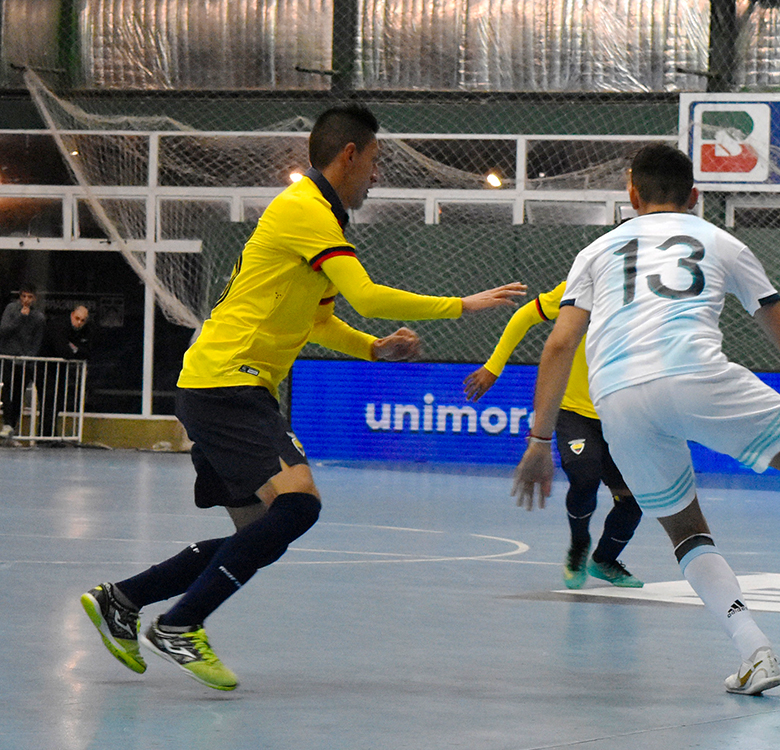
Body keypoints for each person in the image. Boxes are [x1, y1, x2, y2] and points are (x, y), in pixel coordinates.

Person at [80, 103, 526, 691]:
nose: (377, 174)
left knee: (260, 533)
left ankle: (124, 599)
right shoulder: (305, 210)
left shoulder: (320, 222)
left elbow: (323, 322)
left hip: (223, 383)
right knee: (299, 506)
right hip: (227, 381)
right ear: (350, 155)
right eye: (375, 161)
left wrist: (374, 350)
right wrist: (460, 306)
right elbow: (364, 295)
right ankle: (181, 624)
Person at [511, 144, 780, 696]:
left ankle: (753, 650)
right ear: (696, 197)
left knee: (685, 530)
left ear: (631, 194)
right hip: (694, 372)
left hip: (617, 400)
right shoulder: (722, 241)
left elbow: (559, 345)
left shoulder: (595, 252)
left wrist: (539, 441)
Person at [464, 281, 643, 589]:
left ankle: (604, 560)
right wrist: (494, 367)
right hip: (573, 410)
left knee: (634, 501)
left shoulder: (660, 294)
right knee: (584, 476)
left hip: (623, 414)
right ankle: (578, 547)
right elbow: (523, 316)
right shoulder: (588, 282)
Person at [0, 283, 46, 438]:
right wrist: (20, 317)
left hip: (25, 361)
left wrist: (29, 358)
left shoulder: (39, 318)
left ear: (35, 298)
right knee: (7, 390)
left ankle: (12, 426)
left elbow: (37, 342)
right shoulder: (11, 309)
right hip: (9, 358)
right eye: (24, 296)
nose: (26, 300)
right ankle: (7, 423)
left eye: (30, 297)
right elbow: (4, 331)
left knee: (19, 394)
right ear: (20, 297)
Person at [40, 305, 93, 438]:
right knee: (48, 401)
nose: (79, 323)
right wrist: (75, 349)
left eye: (83, 320)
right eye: (77, 318)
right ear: (72, 314)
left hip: (60, 370)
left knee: (57, 401)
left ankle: (50, 434)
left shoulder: (85, 330)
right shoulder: (59, 325)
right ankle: (45, 435)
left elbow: (88, 351)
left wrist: (74, 349)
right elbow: (63, 351)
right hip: (44, 368)